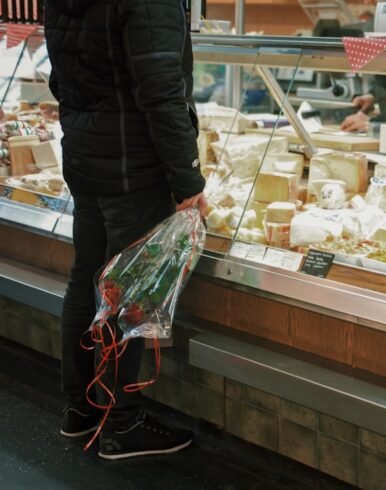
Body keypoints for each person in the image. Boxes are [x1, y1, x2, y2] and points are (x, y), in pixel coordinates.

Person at [44, 0, 207, 460]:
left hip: (86, 156)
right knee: (124, 291)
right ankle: (120, 423)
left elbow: (62, 78)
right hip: (134, 168)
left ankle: (80, 410)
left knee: (87, 279)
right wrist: (188, 181)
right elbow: (160, 91)